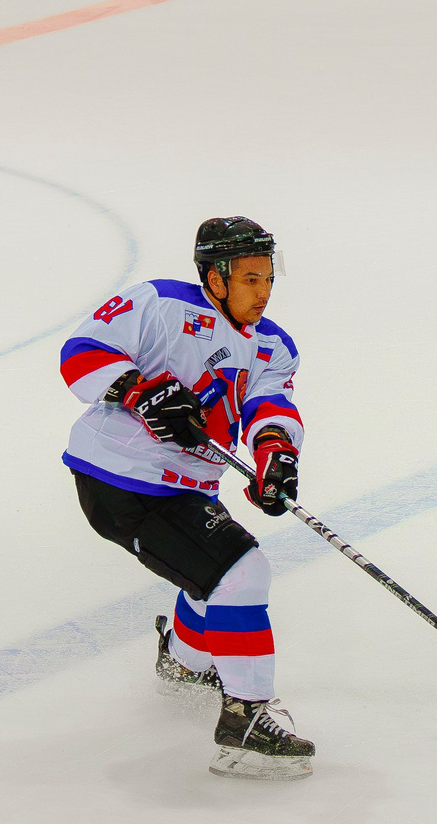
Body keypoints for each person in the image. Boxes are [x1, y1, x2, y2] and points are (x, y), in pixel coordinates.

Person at [60, 218, 315, 780]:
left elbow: (271, 409)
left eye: (269, 278)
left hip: (185, 487)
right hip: (119, 478)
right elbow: (80, 352)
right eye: (250, 279)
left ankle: (185, 663)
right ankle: (244, 724)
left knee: (213, 576)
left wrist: (276, 456)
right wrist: (139, 390)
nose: (263, 291)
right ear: (215, 278)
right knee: (241, 574)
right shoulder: (159, 304)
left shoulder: (273, 345)